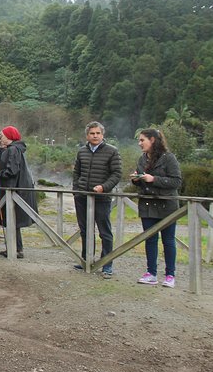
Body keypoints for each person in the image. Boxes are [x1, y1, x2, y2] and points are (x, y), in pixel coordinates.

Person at [131, 128, 182, 288]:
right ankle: (151, 273)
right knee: (150, 239)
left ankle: (170, 275)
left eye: (142, 140)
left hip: (167, 206)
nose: (139, 143)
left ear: (152, 140)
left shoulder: (169, 158)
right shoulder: (142, 159)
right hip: (147, 205)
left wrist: (154, 179)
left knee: (168, 240)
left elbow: (176, 181)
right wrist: (136, 180)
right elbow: (143, 181)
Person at [72, 121, 122, 278]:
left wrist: (104, 187)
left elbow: (116, 174)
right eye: (92, 133)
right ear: (87, 135)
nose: (95, 136)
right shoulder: (81, 151)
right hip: (82, 196)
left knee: (104, 231)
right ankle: (87, 260)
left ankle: (107, 264)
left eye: (98, 133)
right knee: (85, 230)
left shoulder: (112, 151)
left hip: (101, 198)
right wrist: (76, 189)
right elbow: (76, 172)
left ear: (102, 134)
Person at [0, 126, 37, 258]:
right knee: (12, 221)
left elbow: (12, 171)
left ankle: (16, 249)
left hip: (14, 191)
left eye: (2, 136)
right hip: (17, 190)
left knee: (12, 219)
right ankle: (16, 249)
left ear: (9, 136)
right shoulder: (15, 149)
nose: (0, 138)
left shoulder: (13, 150)